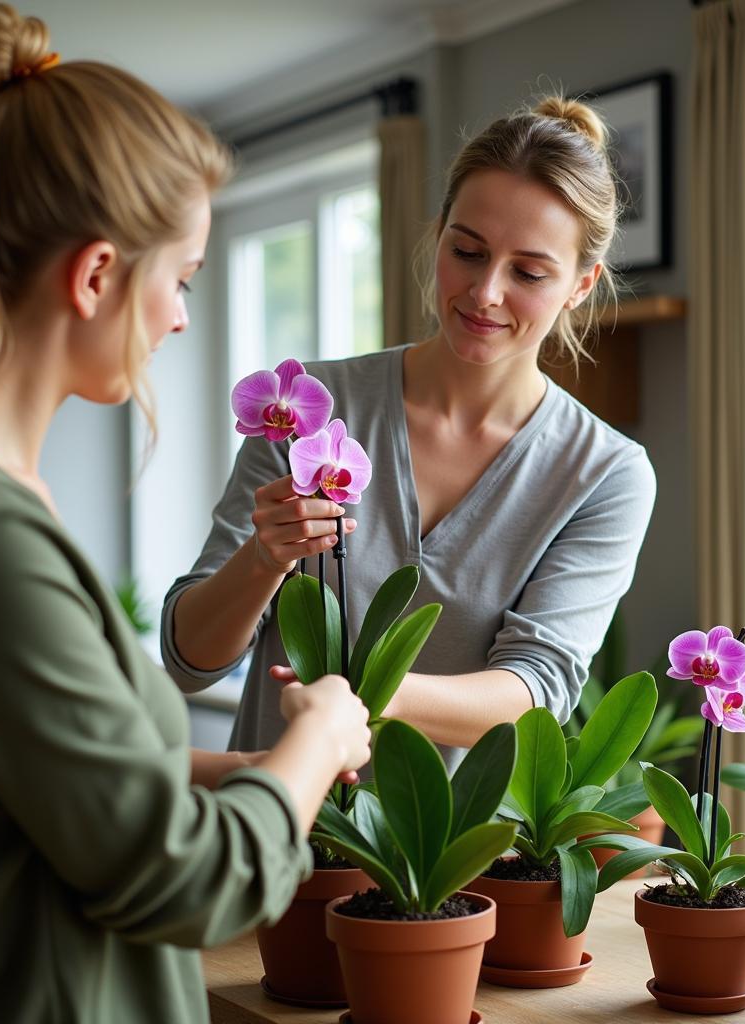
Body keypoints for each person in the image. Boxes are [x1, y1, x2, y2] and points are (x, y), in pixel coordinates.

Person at [0, 5, 370, 1022]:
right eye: (180, 278)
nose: (183, 317)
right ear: (97, 274)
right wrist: (312, 742)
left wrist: (234, 767)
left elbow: (4, 768)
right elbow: (183, 881)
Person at [162, 95, 658, 770]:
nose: (485, 292)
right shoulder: (312, 404)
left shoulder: (603, 473)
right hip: (273, 842)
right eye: (468, 251)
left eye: (530, 272)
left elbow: (536, 689)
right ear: (438, 236)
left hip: (446, 865)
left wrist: (364, 695)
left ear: (580, 284)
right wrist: (262, 557)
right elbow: (189, 662)